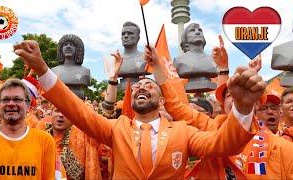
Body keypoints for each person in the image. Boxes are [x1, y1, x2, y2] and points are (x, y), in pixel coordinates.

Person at [15, 40, 258, 179]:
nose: (142, 87)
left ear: (162, 100)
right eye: (138, 85)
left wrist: (244, 107)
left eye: (149, 85)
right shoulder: (116, 129)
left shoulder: (183, 132)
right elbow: (78, 111)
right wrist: (43, 69)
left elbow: (224, 144)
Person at [0, 79, 55, 179]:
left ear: (28, 106)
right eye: (6, 99)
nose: (11, 103)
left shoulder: (45, 141)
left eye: (17, 99)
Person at [42, 107, 101, 179]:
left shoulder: (83, 138)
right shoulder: (40, 136)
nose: (60, 115)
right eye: (57, 111)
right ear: (51, 114)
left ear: (73, 116)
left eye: (66, 112)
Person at [52, 34, 90, 98]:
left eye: (72, 45)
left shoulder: (85, 71)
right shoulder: (53, 71)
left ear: (78, 49)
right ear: (61, 49)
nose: (68, 46)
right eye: (65, 44)